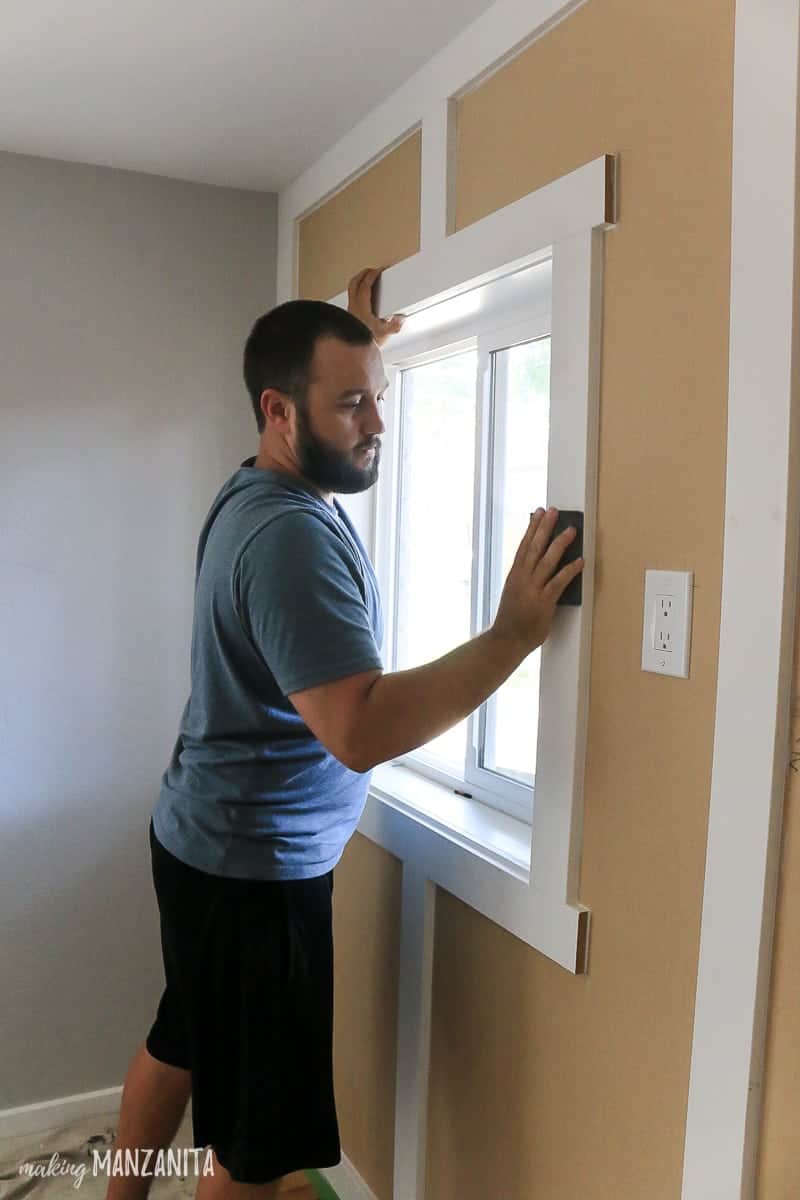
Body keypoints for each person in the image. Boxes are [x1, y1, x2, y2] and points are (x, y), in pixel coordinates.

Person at [106, 268, 583, 1200]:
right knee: (258, 1149)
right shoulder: (287, 538)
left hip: (201, 839)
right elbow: (357, 731)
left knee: (183, 1040)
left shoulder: (255, 491)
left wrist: (358, 341)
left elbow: (326, 405)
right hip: (253, 877)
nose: (377, 424)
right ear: (280, 412)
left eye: (381, 399)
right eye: (354, 404)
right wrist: (513, 634)